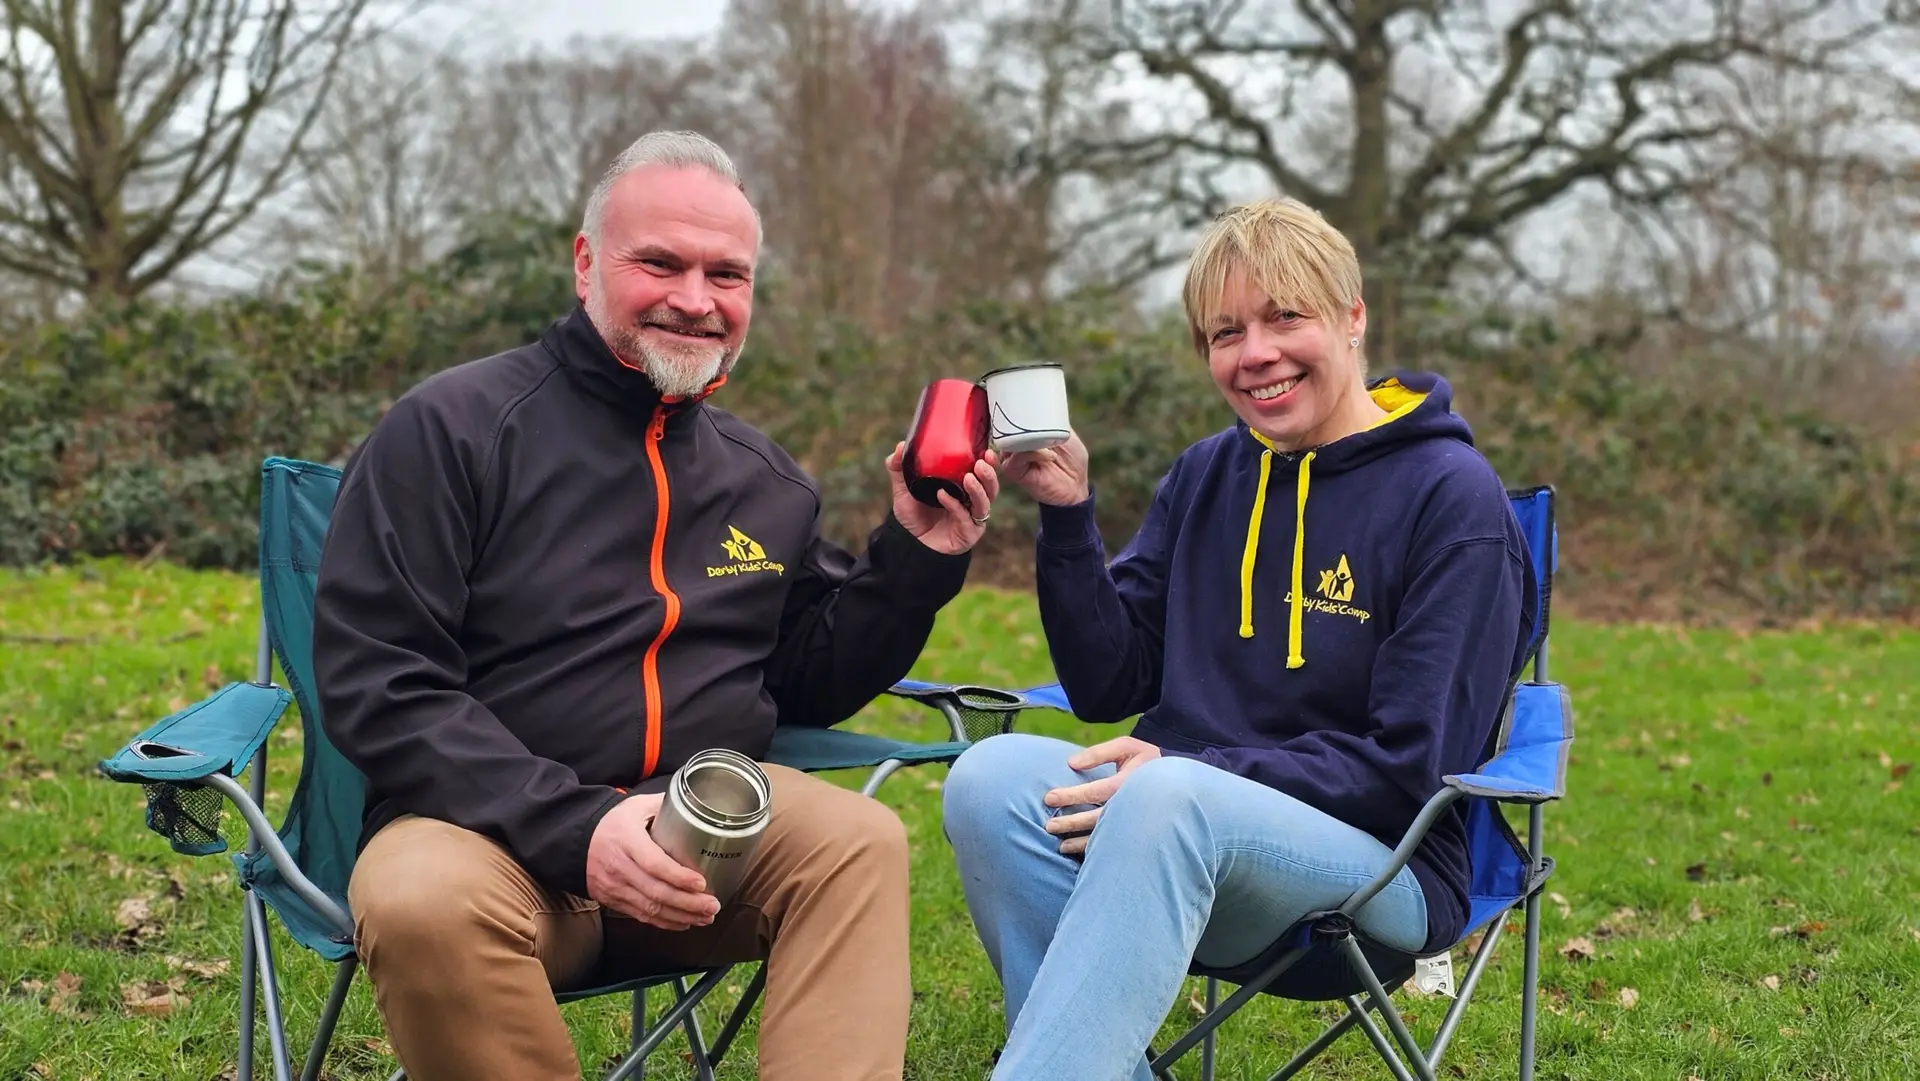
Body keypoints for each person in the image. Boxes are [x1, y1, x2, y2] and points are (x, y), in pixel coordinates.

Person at [310, 129, 999, 1081]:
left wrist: (917, 557)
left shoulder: (766, 483)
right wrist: (579, 827)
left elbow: (809, 676)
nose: (695, 298)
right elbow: (379, 681)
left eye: (728, 273)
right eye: (660, 262)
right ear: (587, 263)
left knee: (860, 841)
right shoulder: (452, 429)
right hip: (488, 843)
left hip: (700, 839)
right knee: (417, 895)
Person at [941, 197, 1538, 1080]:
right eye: (1225, 332)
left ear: (1352, 318)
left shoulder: (1452, 500)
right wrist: (1067, 517)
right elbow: (1111, 683)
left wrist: (1204, 774)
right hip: (1174, 832)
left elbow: (1411, 768)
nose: (1254, 353)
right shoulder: (1209, 473)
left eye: (1284, 317)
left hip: (1386, 865)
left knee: (1165, 796)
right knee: (987, 777)